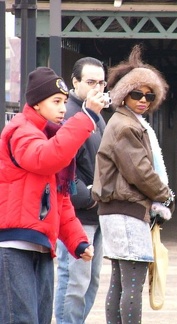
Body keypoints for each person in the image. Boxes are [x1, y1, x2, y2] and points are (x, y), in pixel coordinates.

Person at [0, 67, 102, 324]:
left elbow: (60, 200)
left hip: (40, 246)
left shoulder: (49, 136)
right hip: (12, 247)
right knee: (21, 319)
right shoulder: (20, 131)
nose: (62, 109)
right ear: (35, 104)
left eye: (65, 102)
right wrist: (85, 117)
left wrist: (78, 241)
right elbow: (45, 158)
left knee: (40, 319)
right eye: (56, 102)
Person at [91, 44, 175, 323]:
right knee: (133, 284)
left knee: (120, 281)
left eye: (149, 96)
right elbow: (139, 171)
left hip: (116, 211)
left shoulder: (123, 122)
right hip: (126, 211)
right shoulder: (127, 126)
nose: (143, 100)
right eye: (136, 94)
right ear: (123, 95)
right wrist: (165, 195)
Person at [55, 57, 107, 324]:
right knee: (74, 280)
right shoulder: (72, 116)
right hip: (77, 213)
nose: (97, 87)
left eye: (101, 82)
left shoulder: (96, 116)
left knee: (91, 281)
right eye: (90, 82)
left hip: (96, 213)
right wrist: (86, 198)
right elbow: (61, 166)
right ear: (75, 82)